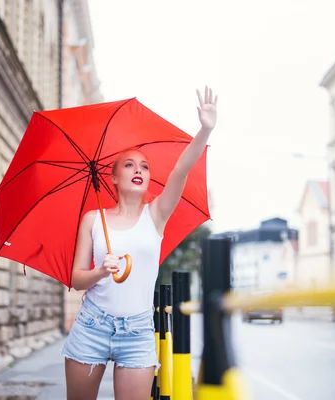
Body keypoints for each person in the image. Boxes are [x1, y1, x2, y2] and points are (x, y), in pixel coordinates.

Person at [61, 86, 218, 400]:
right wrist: (99, 273)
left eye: (144, 166)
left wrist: (204, 130)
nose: (138, 170)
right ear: (114, 178)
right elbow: (77, 279)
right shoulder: (93, 219)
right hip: (92, 324)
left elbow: (181, 171)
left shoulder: (156, 214)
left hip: (137, 331)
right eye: (129, 165)